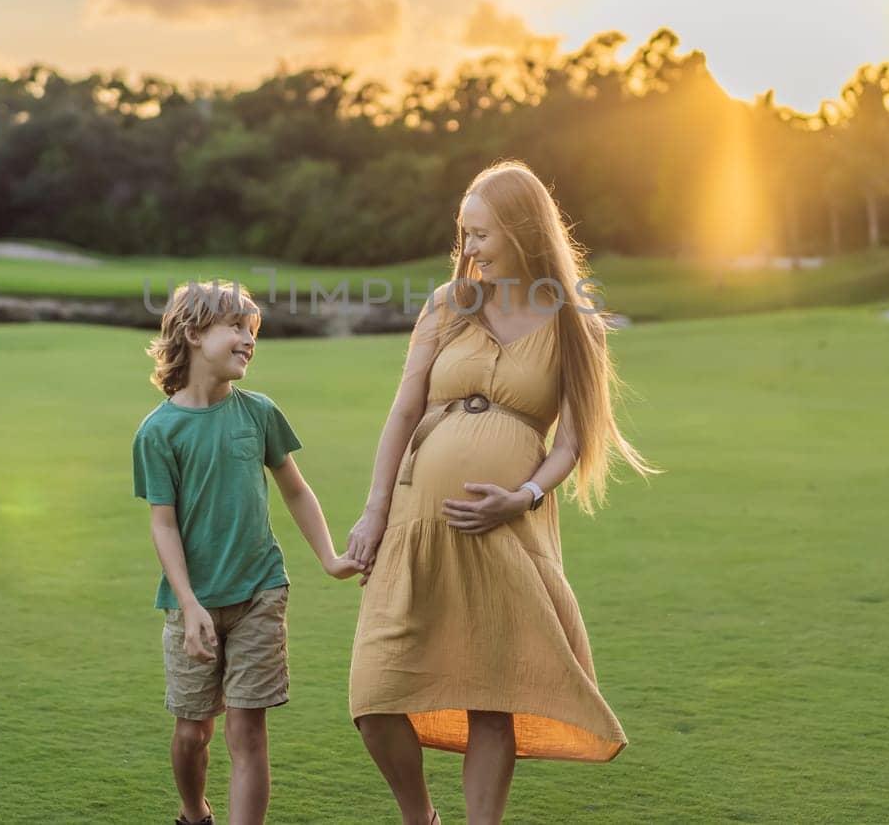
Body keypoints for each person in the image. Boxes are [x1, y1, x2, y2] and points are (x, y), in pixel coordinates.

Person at [345, 160, 658, 825]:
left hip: (505, 533)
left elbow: (571, 444)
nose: (469, 248)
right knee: (374, 698)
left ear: (520, 227)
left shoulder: (577, 322)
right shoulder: (447, 305)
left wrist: (524, 496)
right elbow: (403, 411)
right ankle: (419, 817)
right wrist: (374, 509)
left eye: (480, 232)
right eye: (464, 233)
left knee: (491, 697)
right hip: (415, 527)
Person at [133, 280, 363, 825]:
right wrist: (188, 604)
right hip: (194, 603)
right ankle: (194, 814)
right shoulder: (159, 432)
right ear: (192, 333)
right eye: (235, 327)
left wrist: (329, 557)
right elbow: (162, 525)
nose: (248, 340)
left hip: (261, 590)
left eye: (251, 331)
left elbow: (295, 489)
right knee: (193, 732)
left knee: (246, 730)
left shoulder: (259, 413)